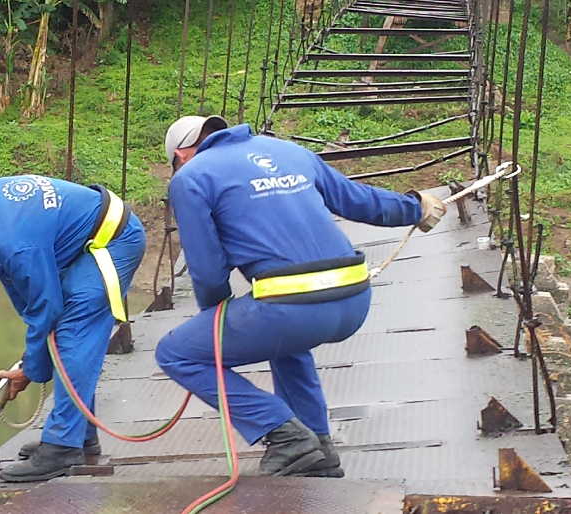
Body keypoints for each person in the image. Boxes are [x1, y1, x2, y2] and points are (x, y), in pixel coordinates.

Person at [155, 116, 446, 477]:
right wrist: (414, 207)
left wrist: (212, 317)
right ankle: (319, 446)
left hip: (292, 311)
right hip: (355, 300)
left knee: (176, 353)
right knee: (283, 340)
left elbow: (207, 267)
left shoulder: (191, 177)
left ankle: (285, 435)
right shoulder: (289, 150)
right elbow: (359, 202)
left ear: (181, 155)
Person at [0, 175, 145, 482]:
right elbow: (28, 297)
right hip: (83, 237)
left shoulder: (16, 242)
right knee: (61, 332)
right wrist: (32, 363)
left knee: (72, 332)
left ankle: (63, 447)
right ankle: (80, 436)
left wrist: (31, 370)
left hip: (113, 241)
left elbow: (45, 308)